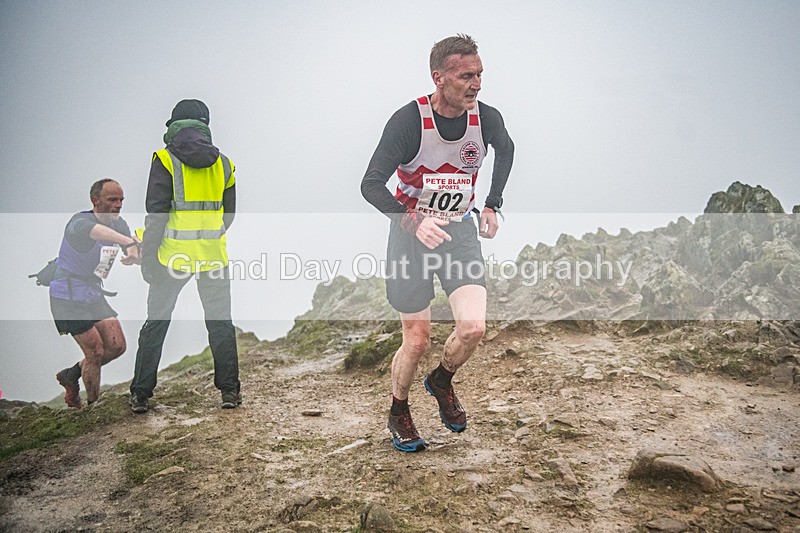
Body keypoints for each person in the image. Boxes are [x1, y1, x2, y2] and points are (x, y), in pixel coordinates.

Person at [361, 35, 514, 452]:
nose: (476, 84)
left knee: (473, 328)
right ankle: (399, 409)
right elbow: (370, 184)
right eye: (467, 76)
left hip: (459, 231)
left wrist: (491, 205)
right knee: (417, 338)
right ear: (439, 77)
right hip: (410, 237)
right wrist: (412, 222)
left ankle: (441, 380)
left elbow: (507, 149)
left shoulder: (486, 119)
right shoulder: (409, 121)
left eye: (480, 74)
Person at [129, 99, 240, 413]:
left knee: (156, 323)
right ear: (205, 125)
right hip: (213, 258)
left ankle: (140, 394)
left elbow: (156, 216)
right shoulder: (225, 164)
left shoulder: (164, 159)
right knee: (221, 324)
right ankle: (230, 392)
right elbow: (228, 216)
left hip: (171, 259)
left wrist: (149, 260)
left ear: (173, 126)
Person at [52, 179, 141, 408]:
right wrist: (128, 241)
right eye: (112, 200)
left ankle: (71, 374)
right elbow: (98, 232)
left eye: (121, 200)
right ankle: (93, 406)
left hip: (92, 291)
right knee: (95, 351)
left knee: (117, 346)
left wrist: (132, 253)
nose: (119, 205)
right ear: (95, 201)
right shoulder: (79, 222)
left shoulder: (119, 225)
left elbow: (129, 247)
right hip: (67, 295)